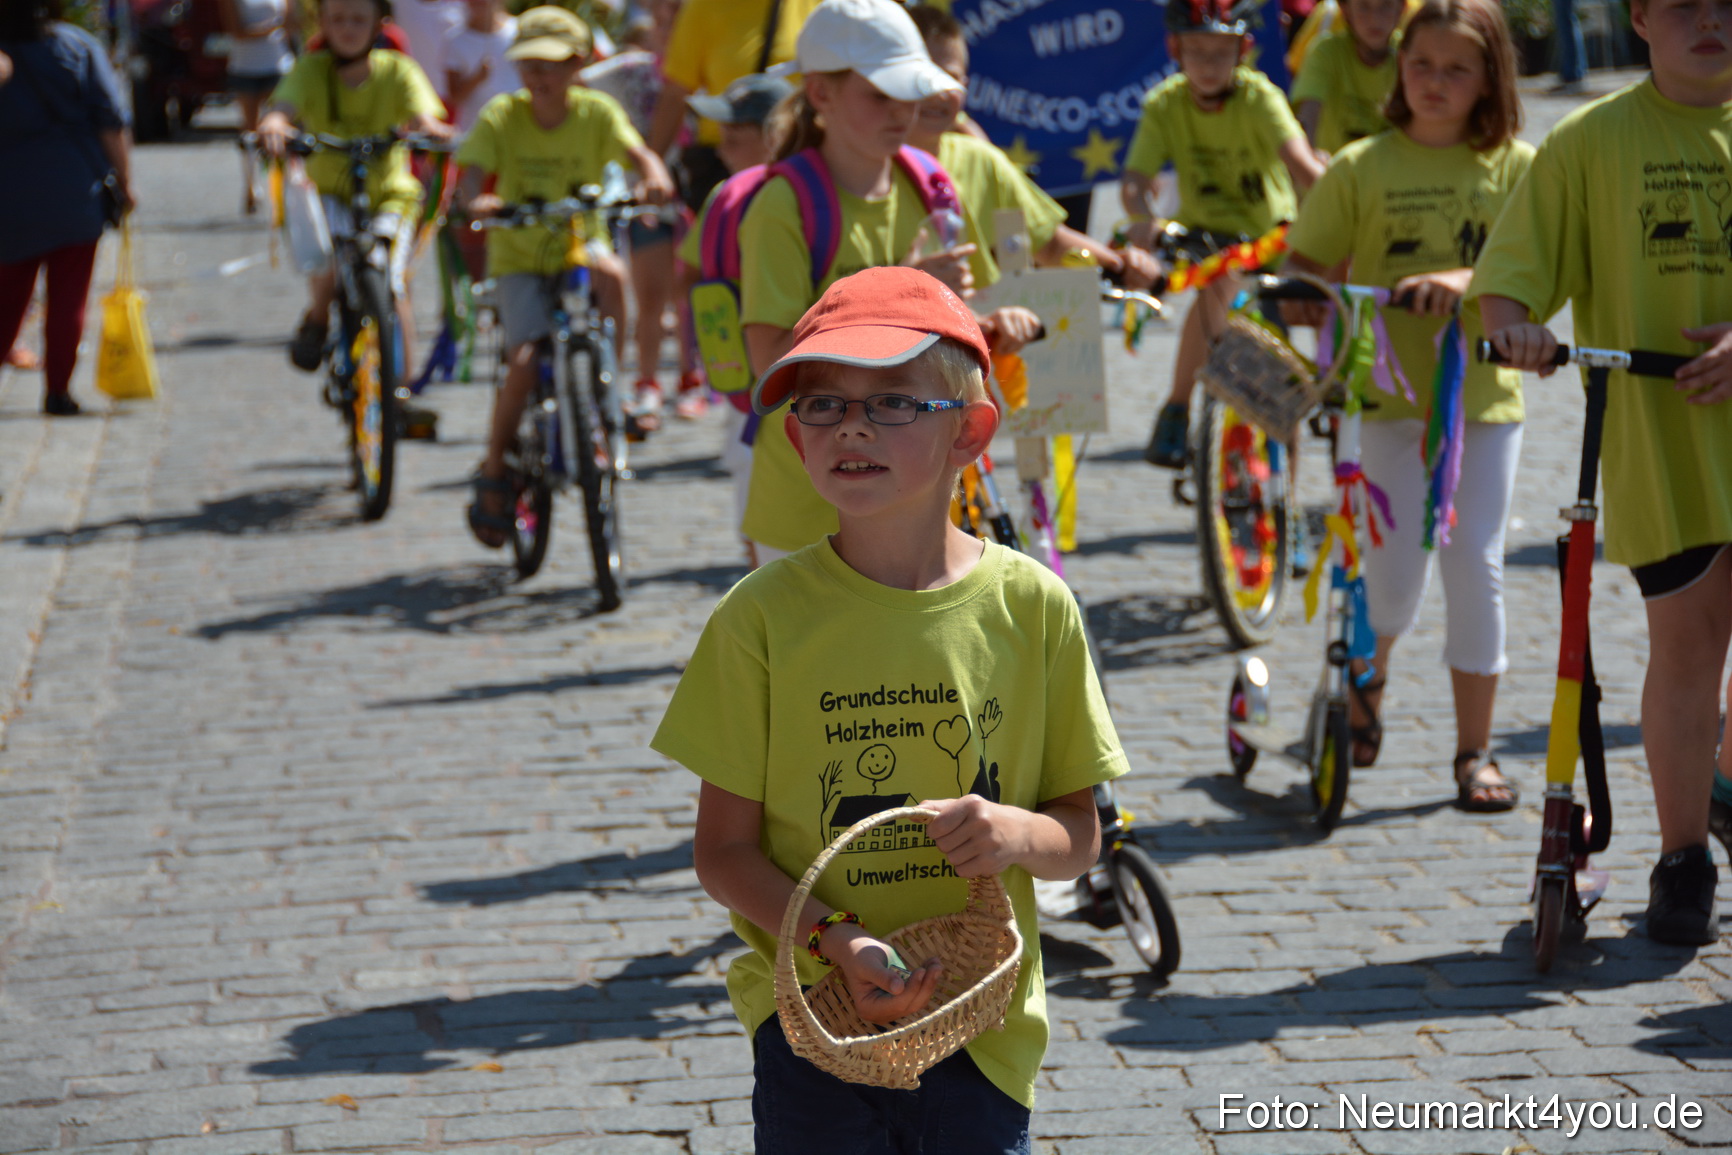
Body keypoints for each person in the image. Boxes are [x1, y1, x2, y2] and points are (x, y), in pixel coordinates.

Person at [651, 265, 1127, 1153]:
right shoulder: (757, 618)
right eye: (823, 404)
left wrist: (1017, 834)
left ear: (970, 432)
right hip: (814, 1022)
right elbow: (722, 852)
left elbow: (1081, 836)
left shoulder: (1035, 606)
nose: (854, 425)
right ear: (795, 438)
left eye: (896, 401)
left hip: (980, 1022)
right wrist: (838, 938)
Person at [1475, 0, 1732, 944]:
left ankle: (1725, 786)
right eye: (1684, 6)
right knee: (1689, 644)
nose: (1710, 22)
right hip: (1661, 434)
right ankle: (1683, 861)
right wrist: (1519, 327)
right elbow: (1507, 281)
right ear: (1640, 19)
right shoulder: (1589, 142)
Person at [1283, 0, 1531, 809]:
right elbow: (1304, 268)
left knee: (1475, 567)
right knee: (1390, 578)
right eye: (1421, 64)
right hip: (1380, 399)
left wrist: (1463, 285)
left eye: (1458, 68)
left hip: (1480, 405)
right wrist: (1314, 300)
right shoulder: (1360, 165)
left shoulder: (1516, 169)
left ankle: (1473, 752)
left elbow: (1537, 273)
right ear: (1399, 67)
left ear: (1491, 78)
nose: (1435, 82)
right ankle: (1369, 678)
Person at [737, 0, 1039, 568]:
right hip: (807, 513)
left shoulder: (931, 184)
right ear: (821, 95)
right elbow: (768, 362)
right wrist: (906, 290)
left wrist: (986, 330)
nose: (904, 110)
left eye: (909, 92)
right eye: (880, 94)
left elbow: (956, 320)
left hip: (917, 511)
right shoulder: (782, 206)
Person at [456, 5, 674, 548]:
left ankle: (607, 379)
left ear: (578, 63)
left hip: (580, 242)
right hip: (519, 255)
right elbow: (471, 178)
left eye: (551, 64)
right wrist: (477, 201)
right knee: (526, 362)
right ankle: (493, 466)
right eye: (529, 64)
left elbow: (641, 154)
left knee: (613, 274)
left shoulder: (596, 112)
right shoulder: (502, 115)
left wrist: (653, 176)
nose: (539, 75)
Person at [1120, 0, 1324, 469]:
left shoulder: (1260, 98)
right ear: (1176, 49)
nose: (1209, 65)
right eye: (1197, 51)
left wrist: (1328, 207)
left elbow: (1301, 165)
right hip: (1205, 237)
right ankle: (1177, 406)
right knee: (1215, 284)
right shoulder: (1165, 104)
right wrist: (1142, 216)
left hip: (1269, 239)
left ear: (1243, 50)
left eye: (1221, 52)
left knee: (1280, 365)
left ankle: (1284, 481)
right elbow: (1135, 181)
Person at [258, 0, 451, 382]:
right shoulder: (311, 70)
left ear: (379, 24)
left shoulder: (398, 70)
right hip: (328, 192)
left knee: (394, 285)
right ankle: (317, 316)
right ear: (324, 24)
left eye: (359, 19)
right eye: (338, 19)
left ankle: (401, 390)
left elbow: (423, 115)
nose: (348, 28)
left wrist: (431, 130)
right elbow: (282, 106)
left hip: (390, 195)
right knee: (326, 261)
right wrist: (276, 124)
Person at [906, 6, 1159, 285]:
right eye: (922, 76)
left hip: (979, 323)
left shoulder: (982, 160)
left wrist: (1121, 264)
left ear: (966, 83)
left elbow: (1050, 245)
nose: (937, 92)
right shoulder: (865, 166)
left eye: (950, 78)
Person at [0, 0, 134, 417]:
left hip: (10, 195)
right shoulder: (78, 46)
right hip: (75, 191)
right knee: (68, 299)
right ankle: (58, 390)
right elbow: (111, 121)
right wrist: (126, 185)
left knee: (7, 297)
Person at [584, 0, 703, 429]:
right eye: (664, 9)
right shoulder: (631, 70)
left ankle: (693, 378)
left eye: (680, 10)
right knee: (651, 295)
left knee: (690, 290)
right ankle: (648, 383)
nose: (671, 18)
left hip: (696, 193)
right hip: (646, 197)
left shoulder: (706, 70)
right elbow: (575, 87)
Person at [646, 0, 824, 213]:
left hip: (794, 158)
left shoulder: (819, 6)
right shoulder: (704, 7)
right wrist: (651, 168)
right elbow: (675, 94)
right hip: (721, 163)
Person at [1290, 0, 1403, 155]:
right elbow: (1307, 117)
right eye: (1364, 7)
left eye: (1386, 6)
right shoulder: (1326, 52)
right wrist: (1310, 157)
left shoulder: (1410, 56)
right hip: (1332, 172)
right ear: (1345, 9)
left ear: (1401, 8)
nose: (1375, 18)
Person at [223, 0, 296, 214]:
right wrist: (271, 29)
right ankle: (251, 186)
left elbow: (293, 24)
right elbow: (236, 31)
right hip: (245, 66)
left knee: (281, 129)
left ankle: (285, 187)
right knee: (249, 131)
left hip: (278, 65)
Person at [445, 0, 517, 133]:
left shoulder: (518, 31)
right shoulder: (456, 39)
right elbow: (454, 98)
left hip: (515, 127)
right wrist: (476, 78)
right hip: (475, 131)